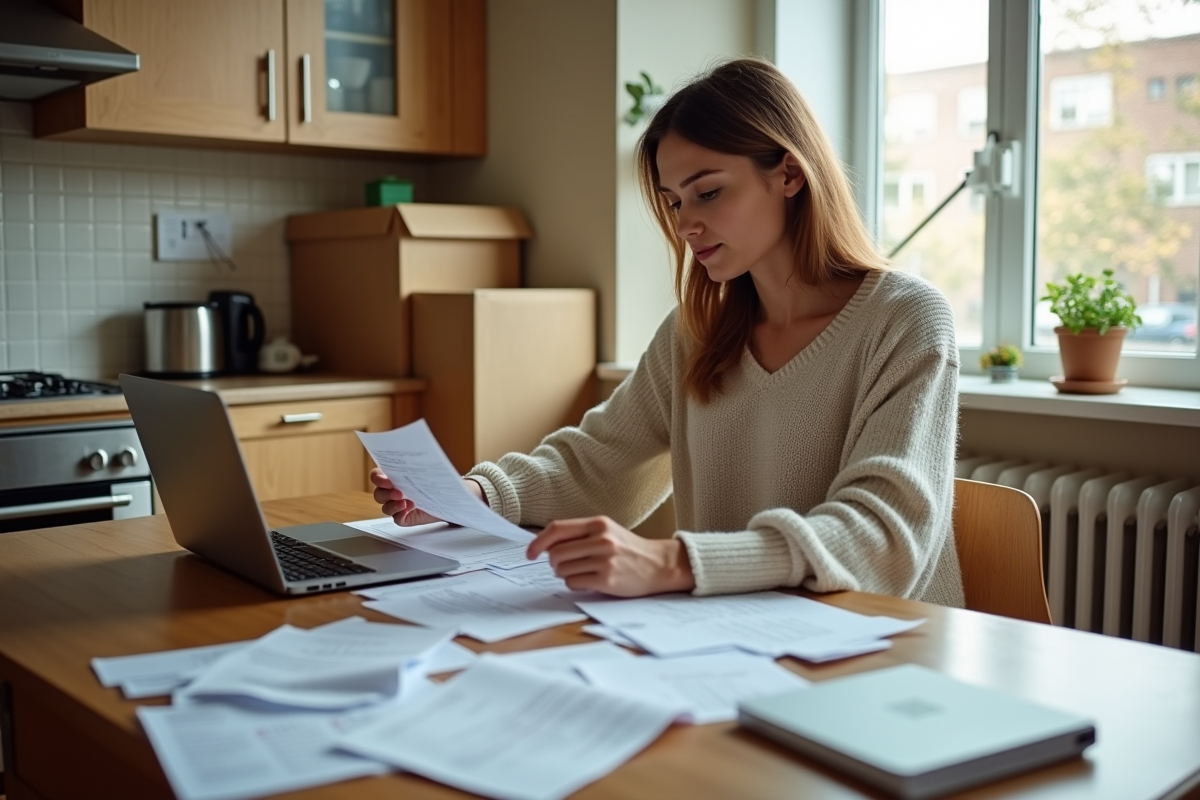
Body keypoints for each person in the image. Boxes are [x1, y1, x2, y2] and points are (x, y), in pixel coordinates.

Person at [372, 58, 964, 606]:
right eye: (674, 201)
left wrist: (675, 561)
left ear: (788, 175)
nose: (686, 224)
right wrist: (470, 497)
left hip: (884, 652)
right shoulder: (697, 331)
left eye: (708, 192)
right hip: (740, 638)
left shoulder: (905, 320)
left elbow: (884, 537)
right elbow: (602, 465)